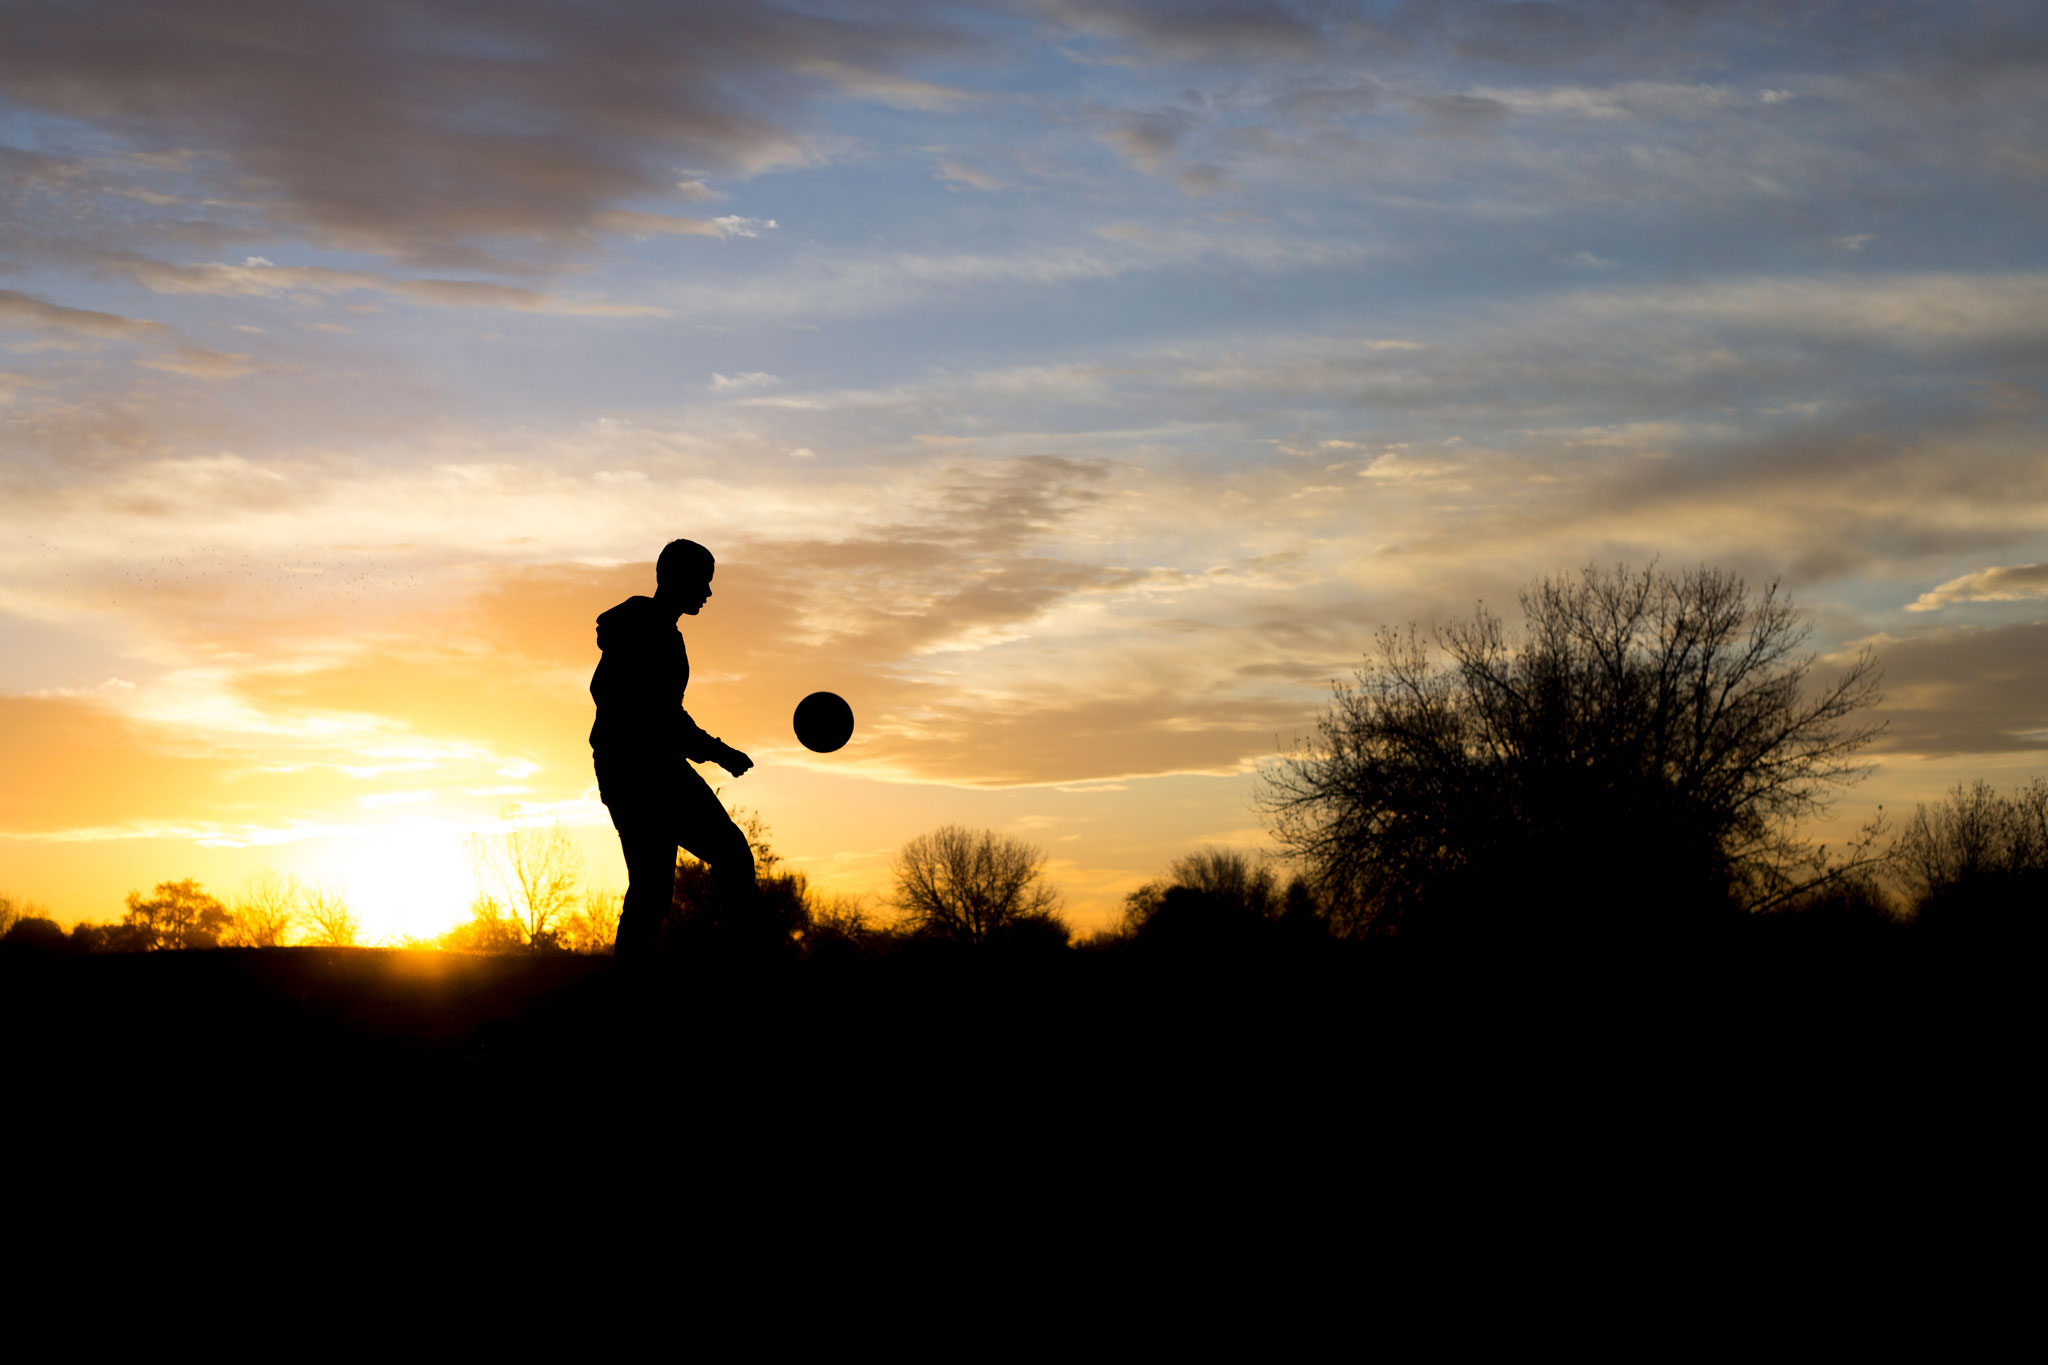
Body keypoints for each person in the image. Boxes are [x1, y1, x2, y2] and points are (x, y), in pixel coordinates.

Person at [590, 538, 757, 958]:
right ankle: (747, 963)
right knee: (668, 881)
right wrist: (718, 751)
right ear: (676, 578)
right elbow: (653, 712)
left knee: (667, 882)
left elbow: (664, 713)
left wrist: (710, 748)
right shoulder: (644, 630)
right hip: (637, 772)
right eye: (703, 581)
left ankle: (739, 960)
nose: (708, 592)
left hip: (650, 767)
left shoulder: (661, 633)